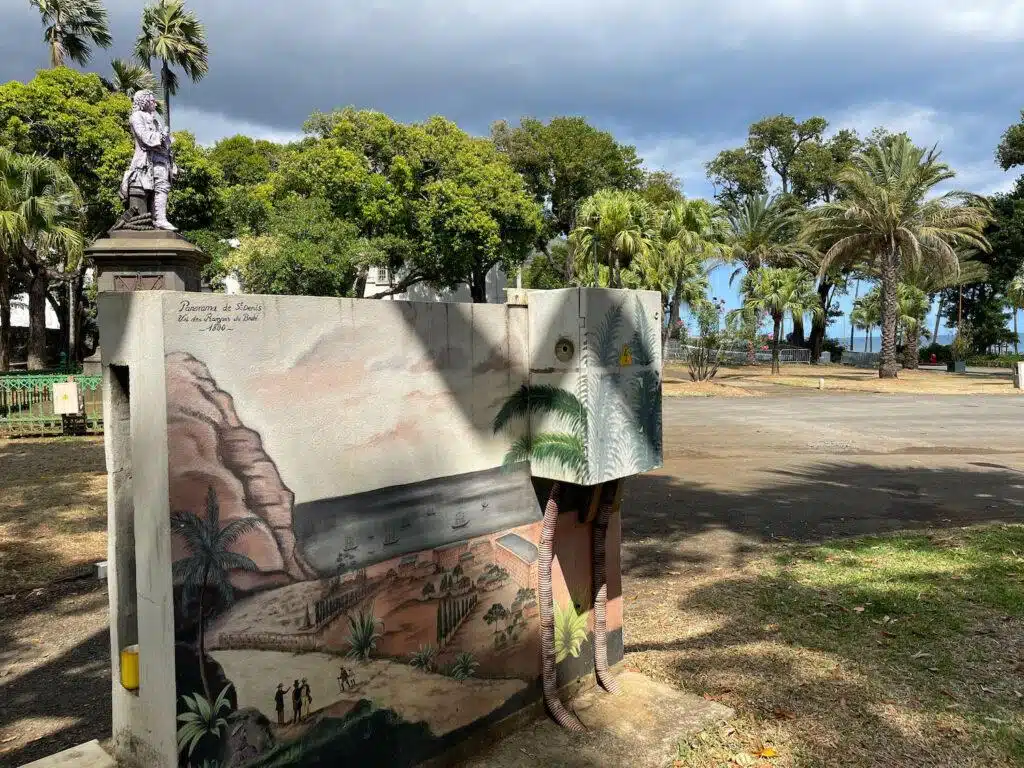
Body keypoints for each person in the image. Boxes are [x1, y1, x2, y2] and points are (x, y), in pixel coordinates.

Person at [118, 89, 177, 231]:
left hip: (161, 159)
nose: (155, 103)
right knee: (155, 187)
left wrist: (165, 139)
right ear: (144, 101)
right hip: (145, 160)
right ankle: (158, 219)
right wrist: (161, 137)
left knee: (162, 186)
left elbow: (166, 143)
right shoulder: (136, 117)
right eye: (152, 101)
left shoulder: (155, 120)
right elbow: (145, 137)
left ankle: (160, 219)